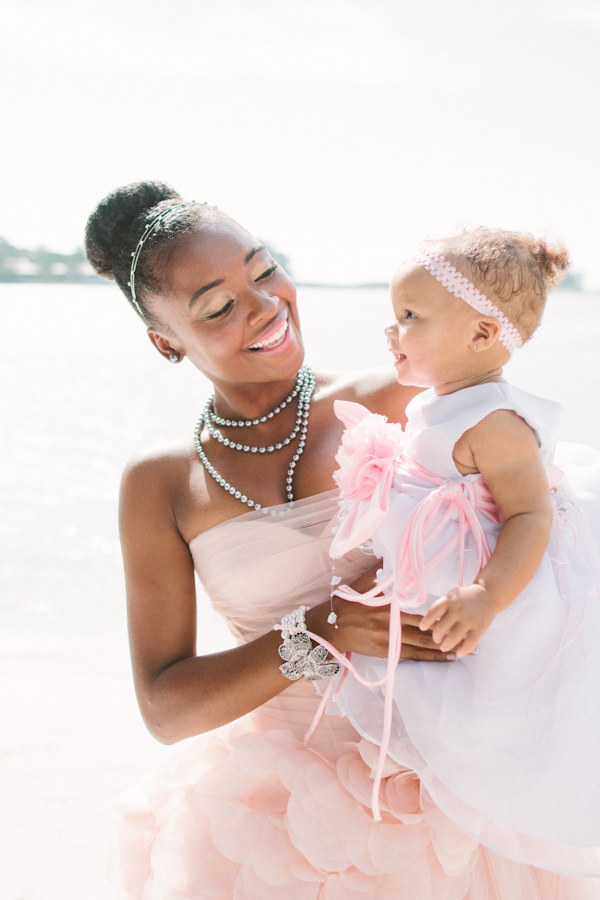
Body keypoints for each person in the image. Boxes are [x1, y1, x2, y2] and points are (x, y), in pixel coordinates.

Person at [84, 185, 598, 899]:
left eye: (263, 271)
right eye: (218, 306)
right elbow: (168, 710)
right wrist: (322, 630)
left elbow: (552, 540)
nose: (264, 306)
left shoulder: (413, 400)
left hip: (447, 803)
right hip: (279, 820)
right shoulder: (160, 484)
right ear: (165, 339)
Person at [324, 228, 600, 882]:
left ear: (481, 336)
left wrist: (488, 596)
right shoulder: (438, 405)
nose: (392, 330)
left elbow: (529, 515)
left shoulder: (496, 423)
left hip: (500, 593)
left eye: (411, 317)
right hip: (440, 588)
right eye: (395, 315)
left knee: (496, 706)